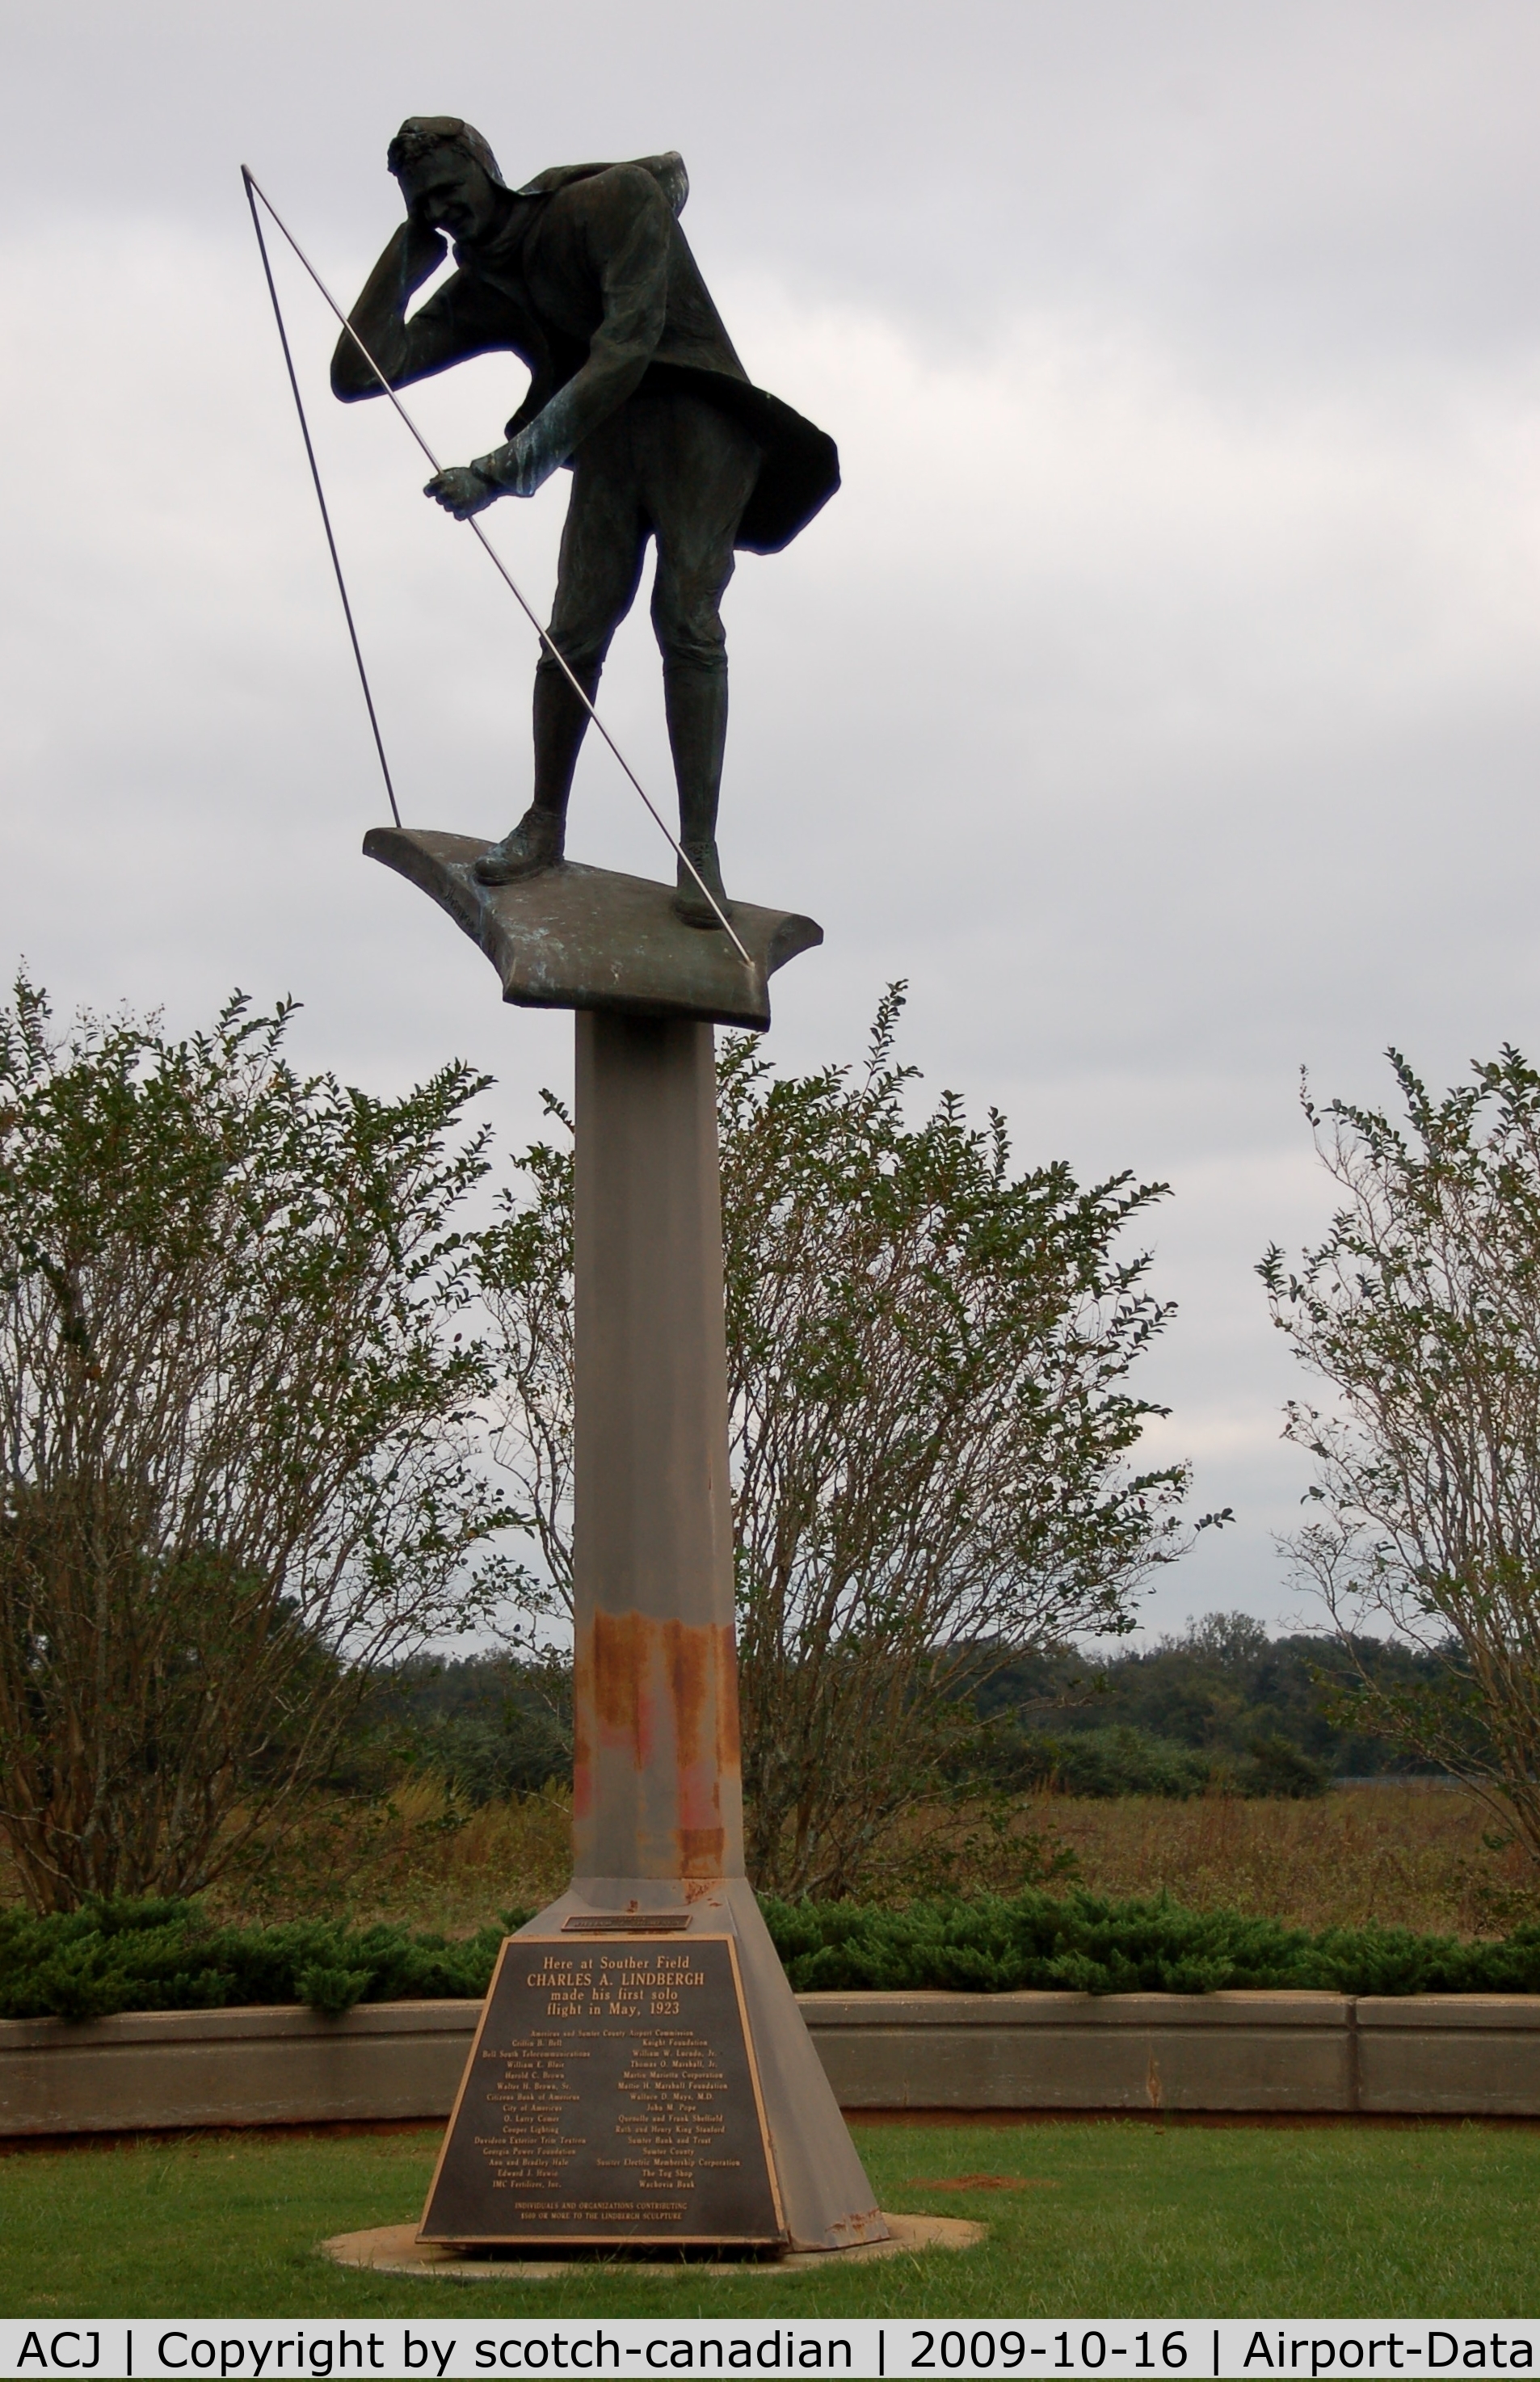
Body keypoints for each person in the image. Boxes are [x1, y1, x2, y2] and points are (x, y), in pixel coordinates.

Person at [332, 117, 839, 924]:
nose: (442, 210)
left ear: (482, 165)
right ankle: (544, 822)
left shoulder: (610, 201)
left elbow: (624, 348)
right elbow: (362, 374)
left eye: (446, 191)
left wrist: (503, 471)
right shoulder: (486, 282)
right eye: (423, 203)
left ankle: (698, 849)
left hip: (697, 420)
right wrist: (403, 257)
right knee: (572, 633)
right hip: (608, 435)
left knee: (686, 618)